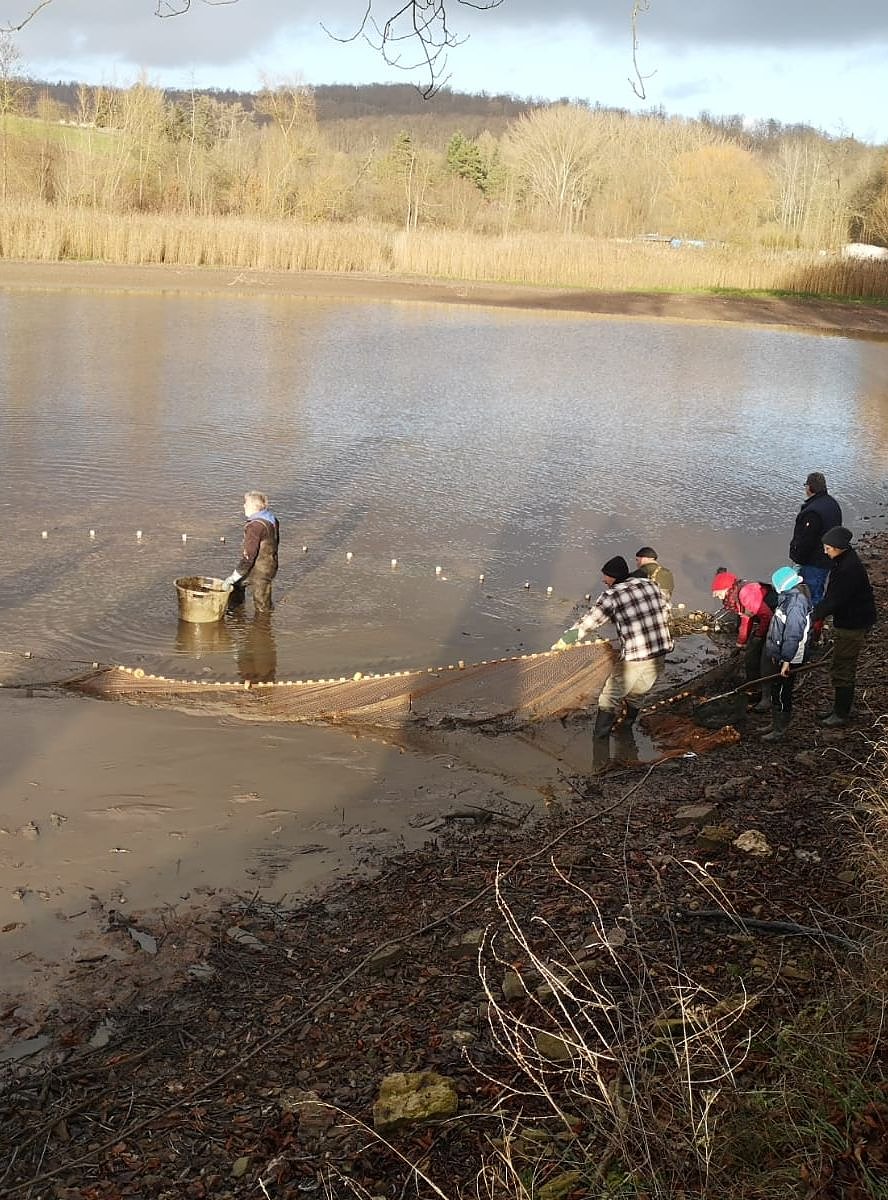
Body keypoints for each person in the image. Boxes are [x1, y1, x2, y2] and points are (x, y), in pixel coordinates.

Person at [552, 555, 673, 739]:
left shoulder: (612, 595)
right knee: (638, 692)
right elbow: (665, 610)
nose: (604, 580)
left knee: (609, 696)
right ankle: (626, 727)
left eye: (606, 576)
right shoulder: (651, 585)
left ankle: (600, 739)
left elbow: (590, 622)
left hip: (636, 656)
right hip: (661, 650)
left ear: (615, 577)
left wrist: (565, 641)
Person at [812, 526, 877, 726]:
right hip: (854, 619)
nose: (825, 552)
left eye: (828, 548)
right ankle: (841, 707)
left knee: (843, 667)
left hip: (852, 624)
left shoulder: (847, 570)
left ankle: (841, 713)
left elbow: (834, 600)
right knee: (841, 664)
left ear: (839, 548)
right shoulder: (845, 561)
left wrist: (813, 615)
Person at [710, 569, 777, 712]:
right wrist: (740, 644)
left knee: (765, 659)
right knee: (751, 655)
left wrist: (759, 636)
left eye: (718, 593)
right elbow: (746, 619)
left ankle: (767, 698)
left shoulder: (745, 593)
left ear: (726, 588)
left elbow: (767, 616)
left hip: (777, 619)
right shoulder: (736, 595)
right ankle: (754, 688)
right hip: (769, 619)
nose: (717, 596)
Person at [761, 565, 813, 743]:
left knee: (783, 691)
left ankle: (780, 728)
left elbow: (793, 634)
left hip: (791, 656)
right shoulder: (788, 598)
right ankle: (775, 722)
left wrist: (786, 660)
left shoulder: (796, 603)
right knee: (777, 688)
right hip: (782, 653)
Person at [789, 472, 842, 606]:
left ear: (809, 487)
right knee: (818, 589)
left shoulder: (812, 512)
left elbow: (806, 541)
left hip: (814, 562)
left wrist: (797, 560)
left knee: (811, 594)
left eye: (806, 485)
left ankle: (812, 617)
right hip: (828, 557)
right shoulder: (832, 504)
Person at [224, 491, 280, 613]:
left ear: (254, 507)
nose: (244, 506)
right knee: (238, 585)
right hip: (271, 563)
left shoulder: (254, 527)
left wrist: (234, 576)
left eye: (246, 503)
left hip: (260, 569)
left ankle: (260, 622)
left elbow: (249, 556)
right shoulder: (272, 519)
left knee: (262, 605)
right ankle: (238, 613)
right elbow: (276, 542)